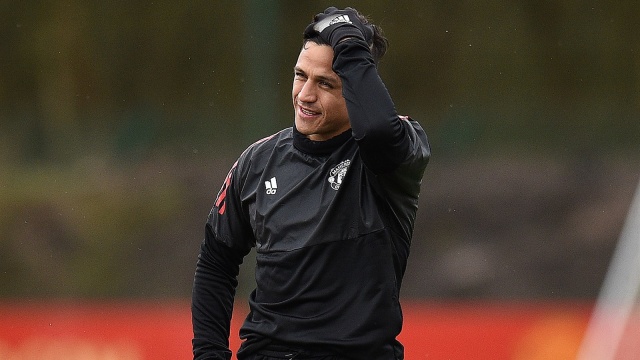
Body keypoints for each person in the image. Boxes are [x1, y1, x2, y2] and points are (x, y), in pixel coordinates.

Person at [192, 6, 430, 360]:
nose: (304, 94)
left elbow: (379, 130)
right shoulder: (257, 161)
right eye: (300, 76)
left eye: (325, 84)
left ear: (356, 87)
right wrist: (209, 353)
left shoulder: (392, 153)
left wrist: (349, 41)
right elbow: (215, 261)